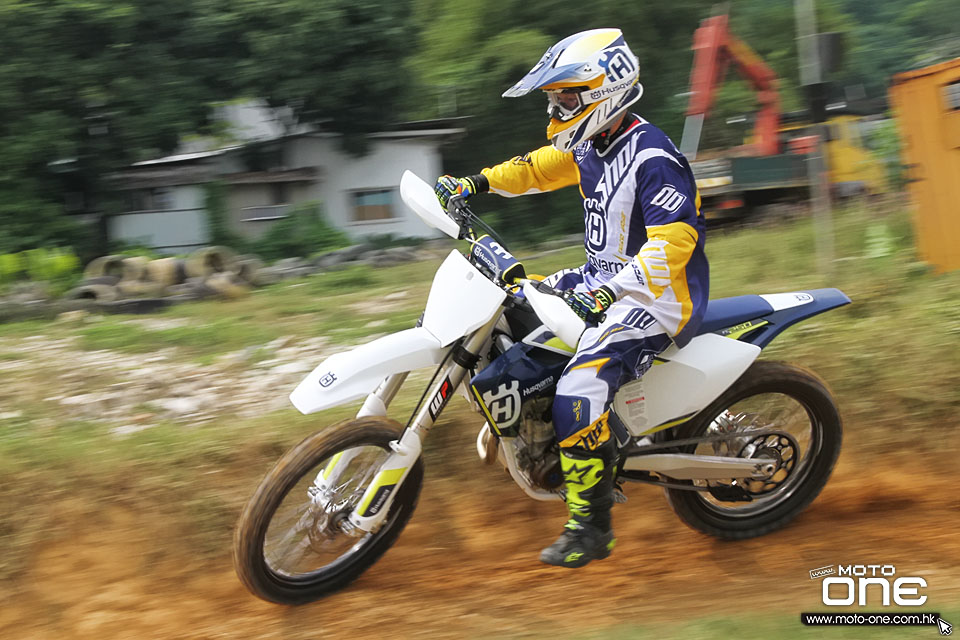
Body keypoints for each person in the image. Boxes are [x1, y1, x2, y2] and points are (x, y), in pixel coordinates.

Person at [435, 28, 709, 568]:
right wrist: (476, 183)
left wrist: (609, 291)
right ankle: (529, 433)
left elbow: (674, 244)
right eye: (553, 98)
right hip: (598, 282)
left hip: (653, 300)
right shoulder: (591, 145)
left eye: (564, 97)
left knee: (579, 389)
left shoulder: (654, 157)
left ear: (601, 92)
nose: (555, 108)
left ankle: (591, 525)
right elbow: (537, 168)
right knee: (507, 309)